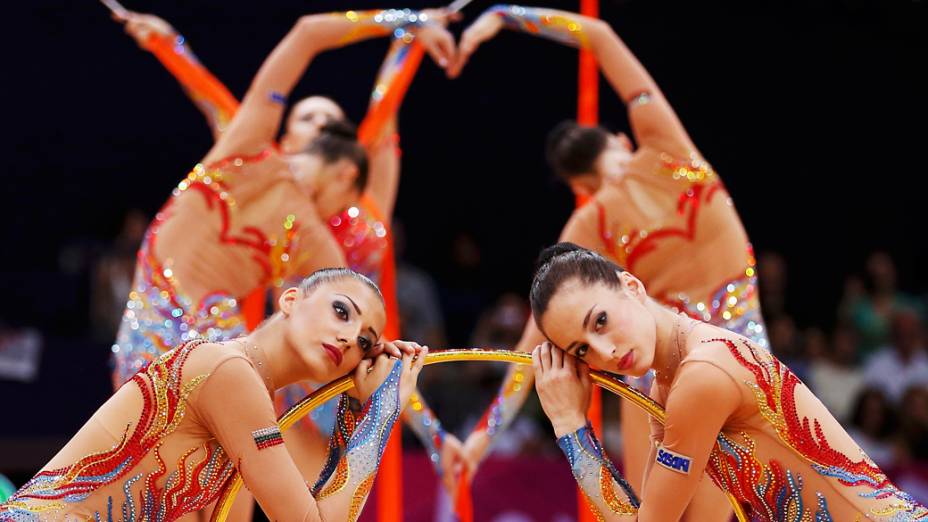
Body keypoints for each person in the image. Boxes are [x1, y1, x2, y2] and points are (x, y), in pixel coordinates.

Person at [111, 9, 463, 493]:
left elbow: (314, 42)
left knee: (169, 486)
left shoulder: (247, 144)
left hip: (161, 337)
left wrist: (407, 28)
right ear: (344, 174)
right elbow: (361, 333)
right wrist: (411, 23)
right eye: (309, 116)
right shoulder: (300, 216)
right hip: (220, 347)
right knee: (194, 487)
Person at [452, 6, 766, 519]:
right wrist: (507, 14)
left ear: (578, 187)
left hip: (663, 382)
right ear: (621, 141)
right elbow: (597, 33)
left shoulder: (589, 224)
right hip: (742, 362)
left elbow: (533, 347)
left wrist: (483, 438)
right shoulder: (668, 150)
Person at [529, 243, 927, 521]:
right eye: (581, 351)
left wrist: (570, 427)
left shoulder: (703, 375)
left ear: (631, 287)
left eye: (600, 321)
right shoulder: (669, 384)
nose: (606, 352)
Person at [0, 268, 428, 521]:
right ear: (291, 299)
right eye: (341, 311)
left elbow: (326, 512)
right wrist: (381, 414)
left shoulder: (253, 394)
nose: (350, 337)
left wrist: (359, 408)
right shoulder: (230, 373)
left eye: (367, 343)